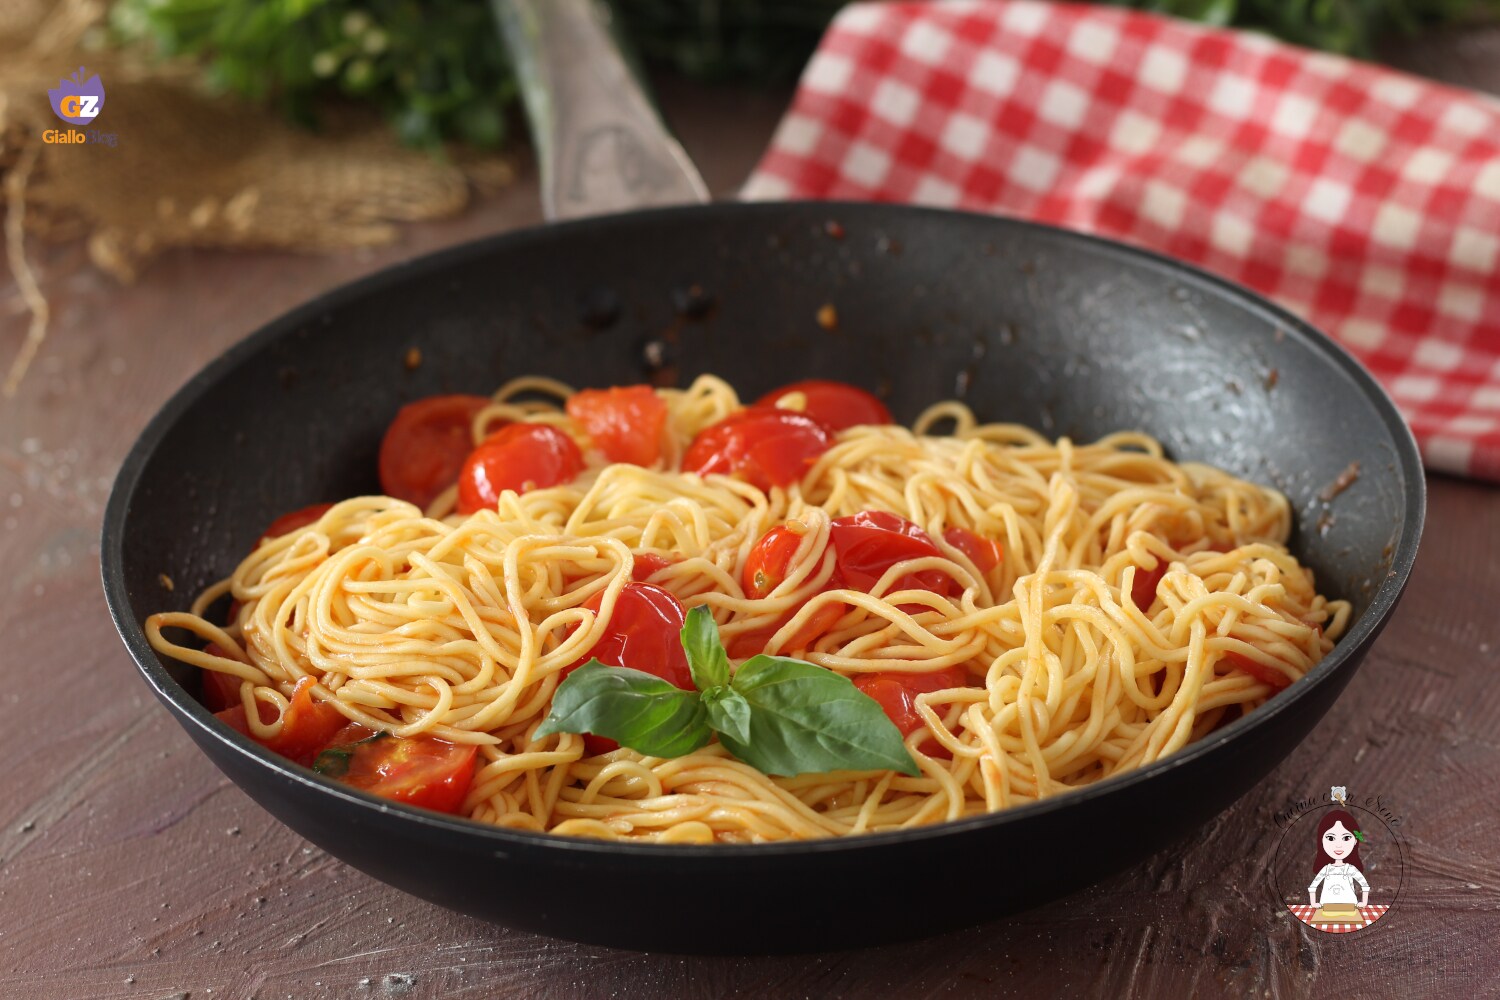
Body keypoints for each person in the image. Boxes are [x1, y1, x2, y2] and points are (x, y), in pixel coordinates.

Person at [1307, 808, 1370, 907]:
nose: (1338, 845)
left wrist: (1364, 902)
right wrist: (1314, 903)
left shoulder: (1350, 869)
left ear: (1355, 841)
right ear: (1322, 840)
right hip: (1327, 908)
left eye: (1346, 838)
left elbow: (1365, 885)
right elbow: (1313, 886)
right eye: (1331, 838)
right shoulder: (1326, 869)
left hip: (1349, 907)